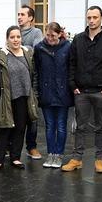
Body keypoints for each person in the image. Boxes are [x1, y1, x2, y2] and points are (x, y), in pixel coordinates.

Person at [61, 6, 102, 173]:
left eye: (95, 17)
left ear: (101, 18)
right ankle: (77, 158)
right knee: (80, 126)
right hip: (81, 91)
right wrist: (73, 86)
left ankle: (99, 159)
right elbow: (72, 64)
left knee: (100, 126)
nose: (92, 21)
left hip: (101, 91)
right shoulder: (78, 40)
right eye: (89, 17)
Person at [0, 26, 38, 173]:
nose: (15, 40)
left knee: (20, 127)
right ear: (7, 39)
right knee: (4, 128)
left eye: (18, 37)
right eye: (12, 37)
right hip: (6, 98)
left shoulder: (28, 54)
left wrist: (35, 94)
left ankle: (16, 157)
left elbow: (34, 76)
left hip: (24, 97)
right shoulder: (2, 56)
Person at [34, 22, 73, 169]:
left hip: (63, 92)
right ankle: (51, 153)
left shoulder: (67, 47)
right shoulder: (40, 48)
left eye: (53, 35)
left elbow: (71, 68)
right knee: (50, 126)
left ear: (60, 34)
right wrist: (38, 90)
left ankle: (59, 154)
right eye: (48, 35)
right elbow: (36, 70)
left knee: (61, 126)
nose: (50, 38)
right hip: (46, 92)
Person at [18, 5, 44, 160]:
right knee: (14, 116)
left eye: (23, 14)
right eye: (18, 14)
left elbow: (37, 49)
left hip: (31, 79)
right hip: (16, 80)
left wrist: (18, 47)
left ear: (30, 18)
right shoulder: (14, 30)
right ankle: (10, 148)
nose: (20, 17)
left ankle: (31, 147)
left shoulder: (36, 32)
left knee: (32, 116)